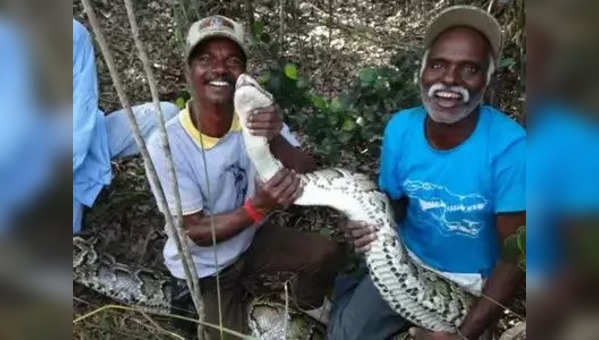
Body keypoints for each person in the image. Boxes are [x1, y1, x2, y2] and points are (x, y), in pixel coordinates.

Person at [327, 6, 526, 340]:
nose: (449, 80)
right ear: (421, 71)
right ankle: (355, 291)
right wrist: (364, 223)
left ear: (486, 80)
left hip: (470, 283)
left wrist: (466, 333)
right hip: (405, 261)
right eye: (438, 65)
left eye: (469, 69)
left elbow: (516, 256)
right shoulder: (401, 128)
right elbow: (396, 205)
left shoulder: (512, 149)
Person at [146, 15, 343, 339]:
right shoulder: (167, 144)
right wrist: (259, 208)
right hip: (205, 268)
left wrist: (277, 135)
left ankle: (308, 305)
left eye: (232, 60)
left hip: (251, 242)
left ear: (243, 74)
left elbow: (307, 171)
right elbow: (195, 231)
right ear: (189, 72)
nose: (220, 69)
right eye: (206, 59)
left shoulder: (255, 115)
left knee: (327, 252)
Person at [73, 19, 179, 234]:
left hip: (84, 140)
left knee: (165, 115)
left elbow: (81, 108)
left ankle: (181, 213)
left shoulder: (73, 34)